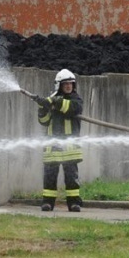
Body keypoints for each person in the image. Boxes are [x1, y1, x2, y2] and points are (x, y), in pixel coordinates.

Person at [38, 68, 84, 212]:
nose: (69, 86)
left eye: (71, 84)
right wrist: (42, 108)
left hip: (70, 148)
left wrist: (52, 101)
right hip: (53, 147)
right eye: (66, 84)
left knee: (71, 178)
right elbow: (44, 121)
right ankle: (47, 202)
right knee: (50, 177)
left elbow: (71, 108)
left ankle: (74, 203)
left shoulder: (75, 100)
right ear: (59, 86)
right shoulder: (51, 101)